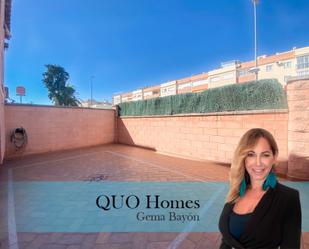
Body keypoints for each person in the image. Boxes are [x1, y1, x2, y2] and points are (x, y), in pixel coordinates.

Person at [218, 128, 302, 249]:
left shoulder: (289, 198)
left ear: (274, 157)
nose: (258, 163)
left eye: (265, 155)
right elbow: (226, 240)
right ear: (243, 158)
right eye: (251, 154)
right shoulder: (236, 191)